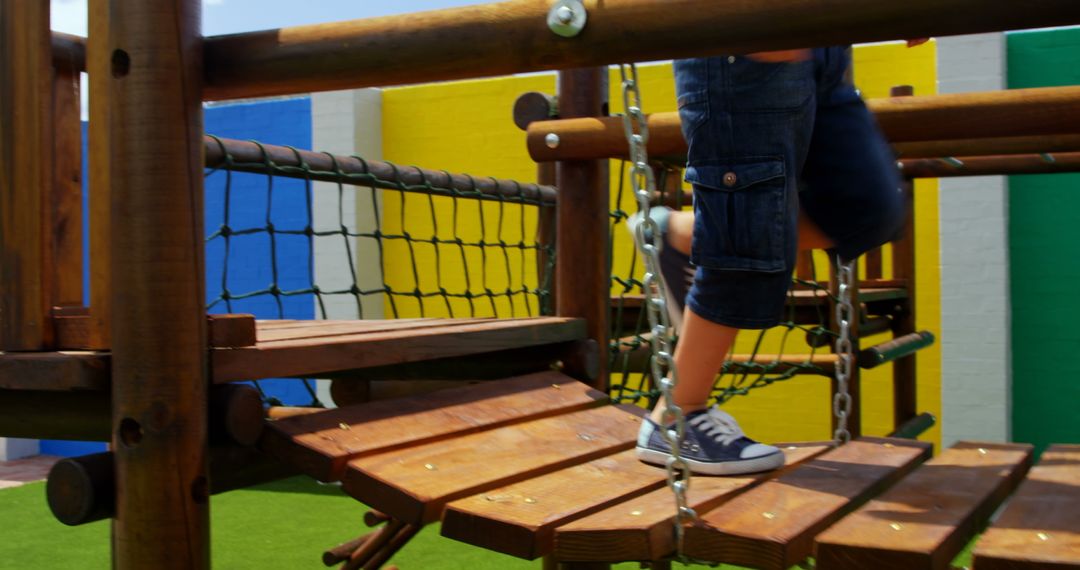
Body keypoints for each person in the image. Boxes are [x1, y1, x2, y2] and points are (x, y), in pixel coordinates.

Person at [633, 45, 911, 475]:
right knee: (745, 227)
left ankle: (679, 236)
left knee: (869, 207)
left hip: (824, 43)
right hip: (743, 44)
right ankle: (674, 417)